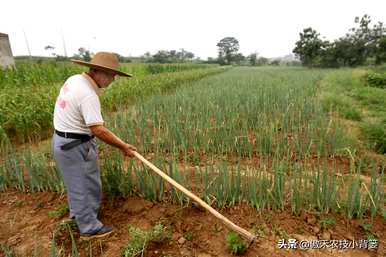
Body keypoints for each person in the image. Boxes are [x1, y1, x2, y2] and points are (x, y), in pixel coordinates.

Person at [52, 52, 137, 240]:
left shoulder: (75, 79)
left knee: (90, 181)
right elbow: (98, 129)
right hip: (71, 145)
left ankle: (82, 214)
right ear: (98, 72)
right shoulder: (88, 94)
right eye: (111, 75)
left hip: (79, 140)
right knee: (79, 186)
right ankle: (88, 228)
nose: (113, 80)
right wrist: (123, 146)